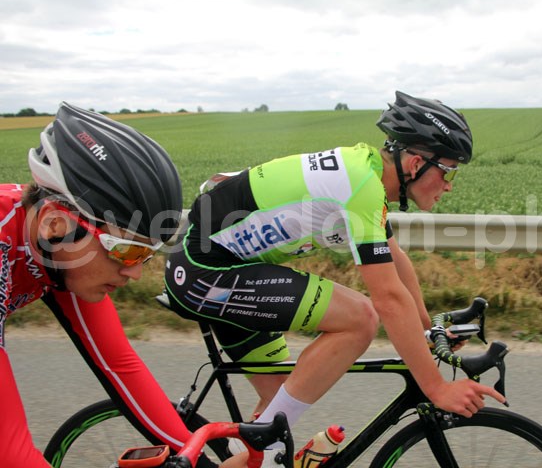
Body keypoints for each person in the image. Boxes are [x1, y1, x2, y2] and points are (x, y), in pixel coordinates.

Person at [163, 91, 506, 467]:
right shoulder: (361, 186)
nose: (450, 185)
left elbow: (396, 261)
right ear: (415, 163)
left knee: (280, 406)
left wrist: (427, 331)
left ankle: (258, 454)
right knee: (360, 318)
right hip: (206, 271)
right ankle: (264, 449)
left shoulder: (366, 174)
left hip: (225, 268)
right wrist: (436, 388)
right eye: (449, 171)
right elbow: (388, 299)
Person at [0, 103, 204, 467]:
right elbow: (10, 452)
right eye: (125, 251)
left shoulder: (59, 255)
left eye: (145, 255)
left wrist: (196, 459)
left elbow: (119, 366)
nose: (135, 273)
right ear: (55, 223)